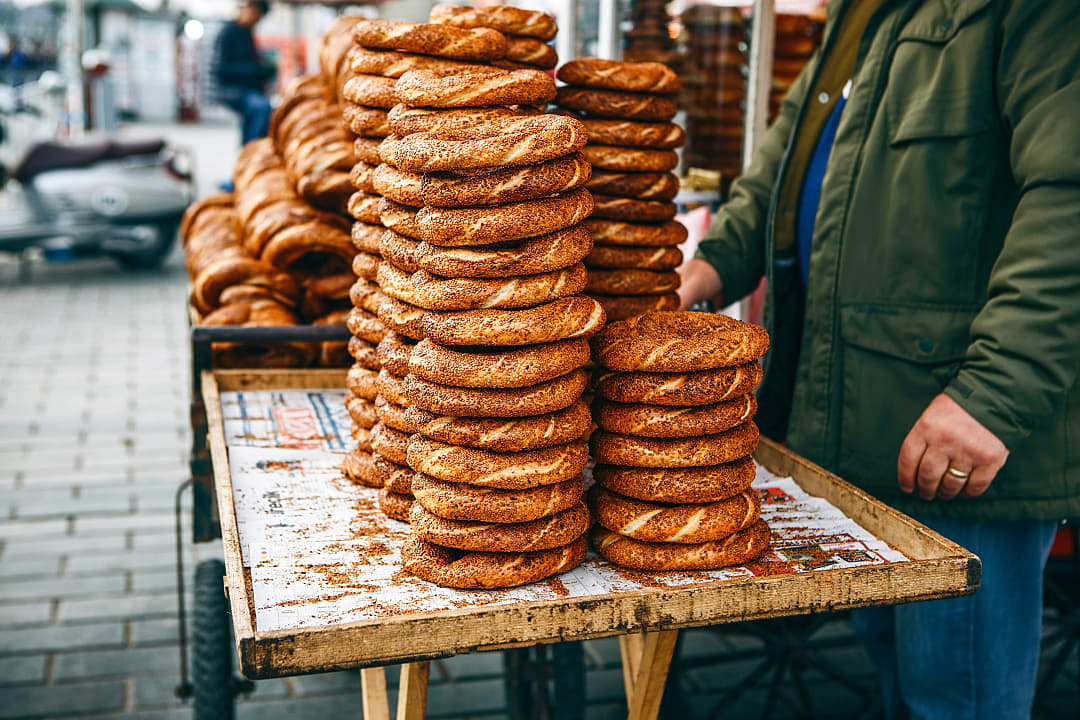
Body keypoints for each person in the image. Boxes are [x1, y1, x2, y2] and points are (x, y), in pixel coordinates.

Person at [678, 1, 1079, 717]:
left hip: (961, 443)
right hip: (861, 429)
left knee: (958, 700)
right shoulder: (863, 12)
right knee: (902, 681)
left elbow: (1069, 202)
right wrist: (704, 271)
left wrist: (993, 396)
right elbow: (780, 173)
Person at [211, 1, 275, 145]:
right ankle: (252, 151)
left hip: (248, 89)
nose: (256, 21)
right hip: (231, 90)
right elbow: (221, 69)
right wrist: (256, 70)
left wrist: (265, 69)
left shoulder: (247, 33)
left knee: (264, 110)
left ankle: (248, 148)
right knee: (262, 109)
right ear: (250, 9)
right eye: (257, 16)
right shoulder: (228, 32)